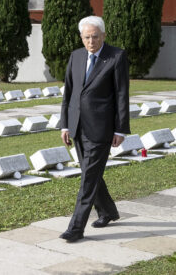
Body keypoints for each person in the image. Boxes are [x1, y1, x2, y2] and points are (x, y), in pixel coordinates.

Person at [59, 15, 130, 243]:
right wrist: (65, 124)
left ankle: (76, 227)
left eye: (95, 37)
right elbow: (68, 93)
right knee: (91, 174)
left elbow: (121, 95)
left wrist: (120, 129)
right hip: (77, 127)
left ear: (103, 36)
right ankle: (108, 211)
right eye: (87, 37)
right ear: (81, 38)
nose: (91, 41)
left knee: (88, 179)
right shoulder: (76, 56)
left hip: (101, 130)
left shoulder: (116, 57)